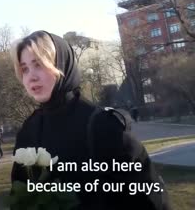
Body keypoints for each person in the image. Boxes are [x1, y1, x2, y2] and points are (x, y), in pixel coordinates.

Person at [10, 31, 170, 210]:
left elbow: (149, 196)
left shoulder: (102, 124)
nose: (31, 76)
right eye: (24, 69)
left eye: (38, 64)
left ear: (62, 65)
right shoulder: (29, 130)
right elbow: (20, 194)